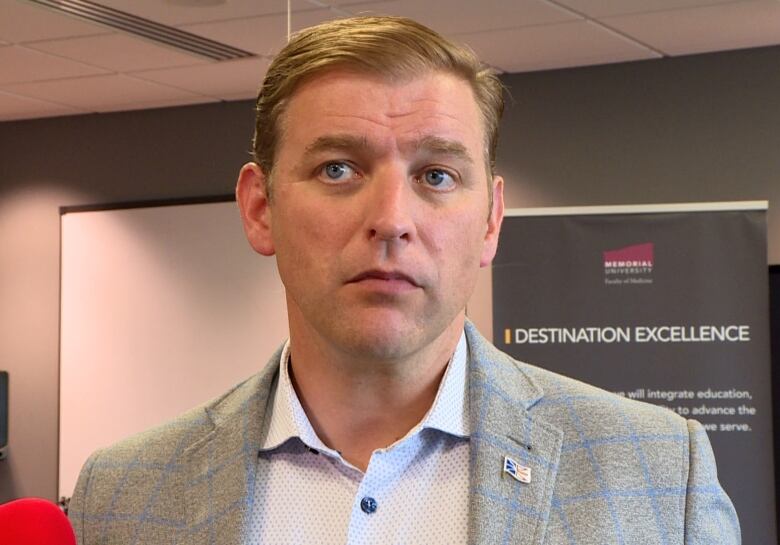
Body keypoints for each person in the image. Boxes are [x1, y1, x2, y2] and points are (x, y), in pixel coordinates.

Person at [68, 15, 740, 545]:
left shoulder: (655, 476)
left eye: (436, 176)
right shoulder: (126, 493)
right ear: (260, 207)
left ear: (489, 220)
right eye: (338, 168)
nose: (391, 219)